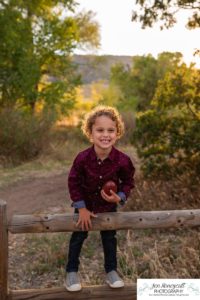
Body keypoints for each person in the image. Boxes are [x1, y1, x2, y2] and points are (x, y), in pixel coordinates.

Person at [65, 105, 135, 291]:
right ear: (90, 132)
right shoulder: (82, 158)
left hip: (108, 207)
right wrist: (81, 208)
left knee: (109, 238)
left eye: (111, 130)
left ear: (117, 133)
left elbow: (128, 182)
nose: (106, 135)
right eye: (100, 130)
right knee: (78, 237)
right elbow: (73, 182)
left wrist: (119, 197)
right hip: (84, 206)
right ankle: (71, 272)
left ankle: (111, 271)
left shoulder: (122, 160)